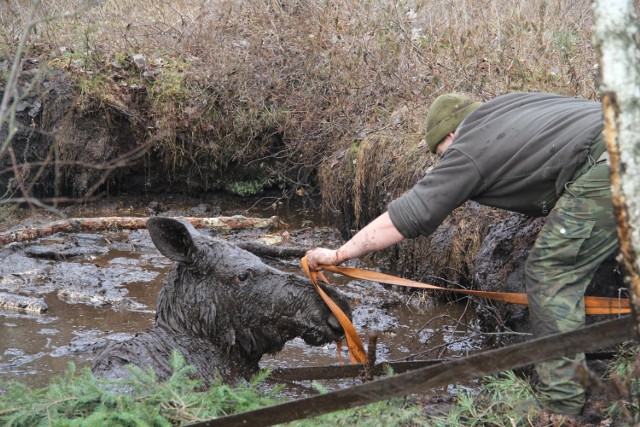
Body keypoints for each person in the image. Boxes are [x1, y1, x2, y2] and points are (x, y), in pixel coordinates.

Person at [306, 92, 617, 417]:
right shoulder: (508, 108)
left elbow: (406, 217)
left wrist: (339, 254)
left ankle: (563, 407)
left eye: (443, 154)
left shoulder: (468, 146)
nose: (446, 161)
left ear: (451, 135)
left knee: (552, 272)